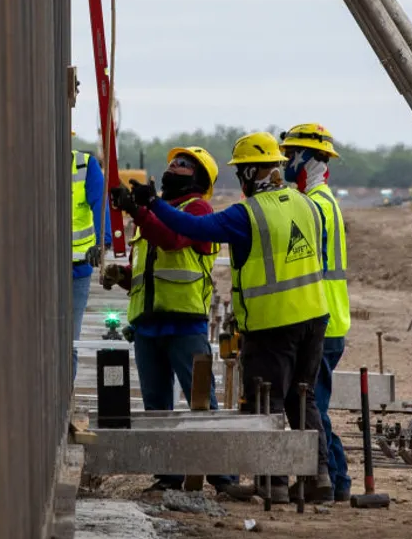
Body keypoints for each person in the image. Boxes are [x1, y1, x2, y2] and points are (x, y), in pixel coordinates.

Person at [139, 131, 332, 504]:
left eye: (242, 172)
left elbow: (195, 228)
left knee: (268, 403)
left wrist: (152, 205)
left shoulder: (249, 214)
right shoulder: (307, 204)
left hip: (272, 321)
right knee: (302, 399)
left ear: (248, 174)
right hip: (315, 317)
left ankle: (273, 483)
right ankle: (317, 477)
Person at [103, 147, 235, 493]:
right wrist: (123, 273)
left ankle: (223, 477)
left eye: (184, 165)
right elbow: (152, 266)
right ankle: (168, 476)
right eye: (174, 163)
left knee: (201, 402)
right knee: (156, 406)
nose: (174, 168)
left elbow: (173, 240)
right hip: (148, 324)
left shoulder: (197, 210)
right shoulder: (153, 213)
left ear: (199, 178)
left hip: (184, 321)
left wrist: (138, 211)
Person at [279, 123, 353, 502]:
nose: (286, 161)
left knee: (313, 406)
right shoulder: (324, 200)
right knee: (315, 405)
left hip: (321, 321)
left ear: (308, 157)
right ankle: (336, 481)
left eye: (290, 154)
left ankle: (333, 481)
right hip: (330, 318)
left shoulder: (315, 206)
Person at [70, 147, 112, 382]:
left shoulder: (85, 165)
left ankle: (65, 395)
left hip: (77, 268)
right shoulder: (33, 160)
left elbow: (100, 204)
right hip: (38, 269)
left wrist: (102, 242)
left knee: (69, 342)